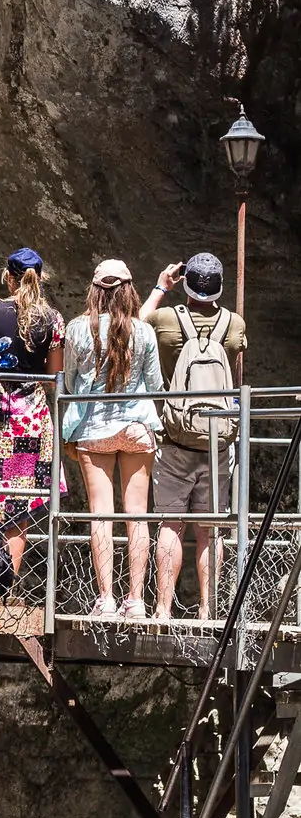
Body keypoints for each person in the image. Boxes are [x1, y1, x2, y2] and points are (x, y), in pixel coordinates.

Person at [141, 251, 247, 622]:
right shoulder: (234, 325)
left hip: (175, 438)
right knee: (210, 530)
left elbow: (134, 327)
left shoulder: (165, 320)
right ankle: (208, 609)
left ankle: (162, 609)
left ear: (185, 284)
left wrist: (160, 287)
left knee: (171, 524)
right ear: (219, 288)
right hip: (219, 441)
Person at [62, 258, 163, 621]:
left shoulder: (77, 330)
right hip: (137, 429)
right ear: (129, 291)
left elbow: (71, 383)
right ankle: (135, 600)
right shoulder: (144, 332)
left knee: (100, 516)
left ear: (94, 291)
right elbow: (156, 387)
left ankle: (105, 598)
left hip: (93, 430)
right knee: (137, 516)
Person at [0, 249, 65, 576]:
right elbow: (54, 376)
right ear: (41, 278)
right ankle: (5, 590)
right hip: (29, 420)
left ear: (8, 276)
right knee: (17, 512)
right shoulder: (53, 320)